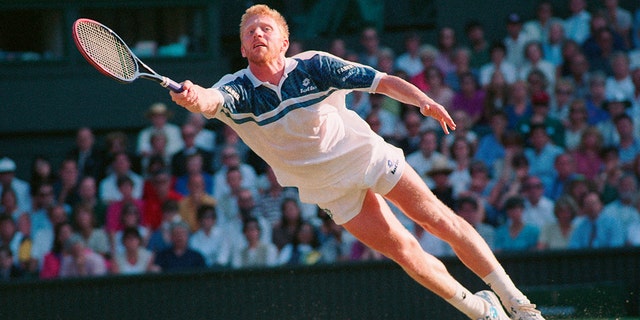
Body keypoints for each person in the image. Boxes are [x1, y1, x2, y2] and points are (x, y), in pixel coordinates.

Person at [168, 5, 545, 320]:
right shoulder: (239, 88)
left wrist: (422, 101)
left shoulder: (315, 66)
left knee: (437, 219)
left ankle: (516, 300)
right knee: (406, 254)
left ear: (284, 41)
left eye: (265, 28)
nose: (257, 34)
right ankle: (483, 312)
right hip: (329, 190)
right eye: (249, 31)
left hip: (368, 157)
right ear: (242, 46)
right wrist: (192, 96)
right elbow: (210, 99)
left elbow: (380, 81)